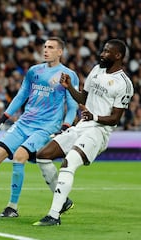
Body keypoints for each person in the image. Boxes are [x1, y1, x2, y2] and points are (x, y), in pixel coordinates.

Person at [32, 39, 134, 226]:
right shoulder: (96, 70)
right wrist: (69, 87)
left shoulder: (124, 83)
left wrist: (94, 117)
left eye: (107, 52)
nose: (102, 54)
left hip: (99, 131)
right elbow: (83, 98)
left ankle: (53, 216)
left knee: (68, 163)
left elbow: (115, 118)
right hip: (82, 126)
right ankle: (64, 202)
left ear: (118, 56)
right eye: (103, 51)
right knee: (43, 155)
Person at [0, 37, 79, 217]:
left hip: (46, 127)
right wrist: (1, 119)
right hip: (24, 123)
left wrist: (64, 127)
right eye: (45, 47)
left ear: (60, 52)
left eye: (51, 47)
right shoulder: (34, 71)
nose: (46, 50)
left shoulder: (68, 75)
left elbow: (72, 106)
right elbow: (21, 95)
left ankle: (12, 207)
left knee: (19, 156)